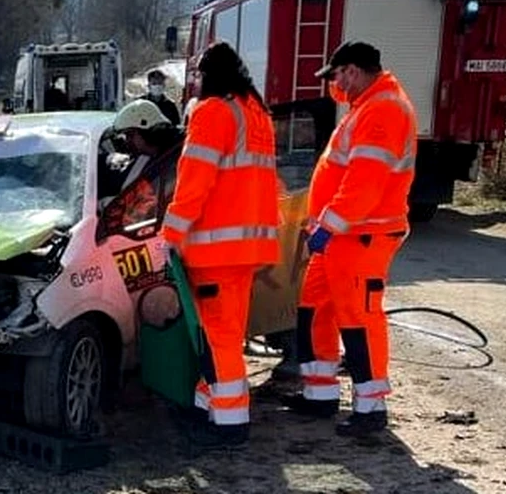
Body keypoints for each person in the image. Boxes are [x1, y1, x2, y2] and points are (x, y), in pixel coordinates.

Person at [282, 41, 417, 438]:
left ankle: (371, 407)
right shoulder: (368, 108)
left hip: (361, 236)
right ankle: (320, 394)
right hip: (346, 236)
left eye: (336, 75)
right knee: (314, 309)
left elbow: (363, 186)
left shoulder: (383, 111)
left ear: (353, 71)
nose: (334, 85)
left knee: (359, 319)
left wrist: (329, 226)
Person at [161, 41, 280, 452]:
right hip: (248, 247)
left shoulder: (214, 113)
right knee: (225, 332)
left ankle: (229, 422)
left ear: (207, 75)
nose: (194, 83)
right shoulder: (255, 114)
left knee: (219, 338)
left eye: (197, 75)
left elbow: (194, 182)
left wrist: (170, 234)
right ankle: (205, 405)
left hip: (216, 249)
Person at [98, 99, 180, 215]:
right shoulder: (145, 158)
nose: (127, 141)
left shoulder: (172, 162)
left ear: (150, 133)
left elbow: (144, 206)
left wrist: (107, 205)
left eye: (130, 135)